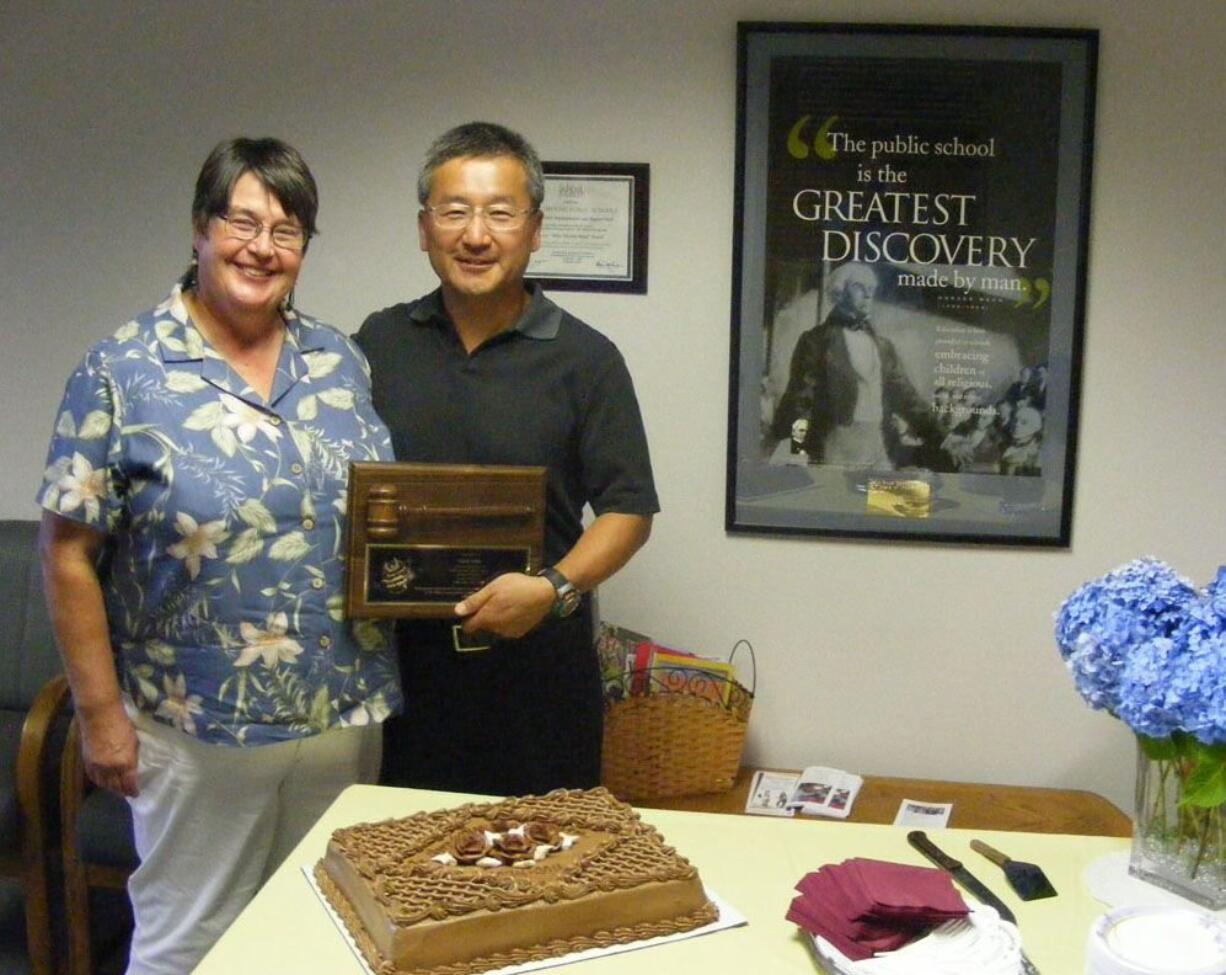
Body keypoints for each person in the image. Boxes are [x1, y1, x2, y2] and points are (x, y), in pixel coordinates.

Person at [37, 138, 400, 975]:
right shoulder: (123, 370)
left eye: (287, 229)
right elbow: (66, 555)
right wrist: (99, 718)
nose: (261, 247)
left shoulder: (339, 361)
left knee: (322, 938)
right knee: (187, 946)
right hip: (197, 722)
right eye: (241, 221)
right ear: (200, 229)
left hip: (339, 710)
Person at [356, 121, 657, 796]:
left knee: (549, 873)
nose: (475, 234)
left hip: (539, 676)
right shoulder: (378, 342)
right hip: (407, 675)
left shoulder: (586, 359)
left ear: (536, 229)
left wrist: (552, 590)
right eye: (454, 211)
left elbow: (629, 509)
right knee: (412, 871)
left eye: (500, 212)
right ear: (424, 227)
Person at [771, 262, 936, 468]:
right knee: (839, 497)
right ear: (839, 292)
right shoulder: (816, 341)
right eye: (859, 287)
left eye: (872, 290)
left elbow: (905, 395)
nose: (868, 295)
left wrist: (943, 436)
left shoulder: (883, 345)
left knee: (881, 499)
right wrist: (796, 447)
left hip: (878, 442)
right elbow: (801, 399)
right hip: (836, 442)